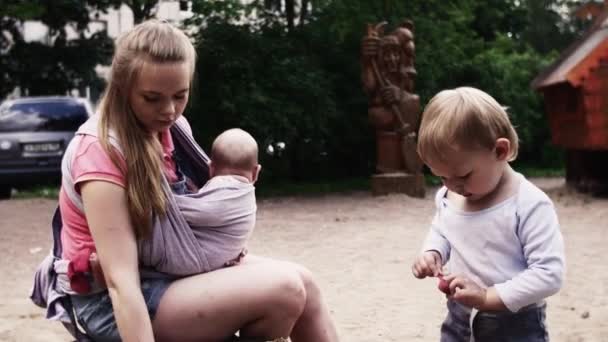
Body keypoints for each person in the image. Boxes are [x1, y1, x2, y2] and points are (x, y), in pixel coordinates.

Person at [36, 19, 339, 342]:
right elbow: (120, 282)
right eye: (152, 98)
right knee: (285, 289)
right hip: (109, 303)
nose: (169, 110)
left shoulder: (171, 130)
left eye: (180, 96)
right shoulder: (100, 151)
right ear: (123, 88)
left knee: (305, 284)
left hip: (165, 276)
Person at [410, 87, 565, 342]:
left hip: (515, 324)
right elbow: (443, 229)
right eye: (441, 176)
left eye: (462, 176)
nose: (450, 186)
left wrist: (487, 297)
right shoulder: (451, 195)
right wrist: (433, 252)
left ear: (500, 151)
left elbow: (549, 274)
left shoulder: (528, 204)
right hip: (460, 315)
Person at [178, 128, 262, 269]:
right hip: (228, 256)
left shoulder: (222, 186)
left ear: (211, 169)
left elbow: (188, 212)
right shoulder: (247, 196)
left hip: (198, 260)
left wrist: (165, 199)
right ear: (256, 172)